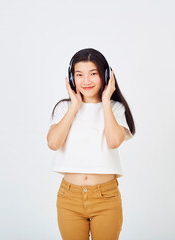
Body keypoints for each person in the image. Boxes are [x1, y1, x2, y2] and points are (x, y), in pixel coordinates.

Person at [46, 48, 135, 240]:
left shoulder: (115, 108)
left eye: (93, 74)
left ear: (105, 75)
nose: (86, 81)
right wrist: (75, 106)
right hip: (69, 197)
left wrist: (105, 101)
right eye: (79, 75)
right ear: (72, 78)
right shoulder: (64, 108)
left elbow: (113, 141)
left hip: (105, 198)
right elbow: (53, 143)